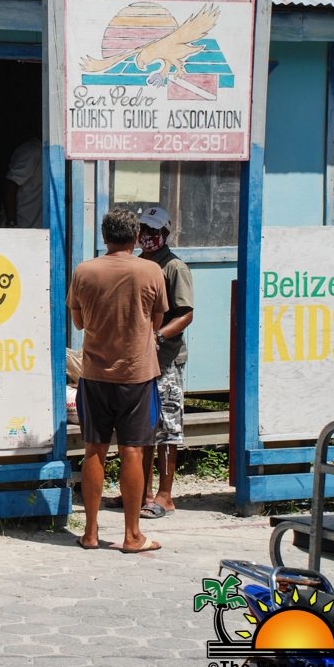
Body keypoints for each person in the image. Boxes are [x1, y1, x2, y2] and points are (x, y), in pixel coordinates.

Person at [67, 209, 168, 553]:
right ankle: (132, 536)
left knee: (94, 449)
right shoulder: (151, 270)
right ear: (136, 237)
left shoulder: (84, 271)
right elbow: (157, 321)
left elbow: (78, 323)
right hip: (137, 376)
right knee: (132, 451)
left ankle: (90, 533)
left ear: (104, 236)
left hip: (94, 375)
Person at [138, 207, 194, 520]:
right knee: (144, 428)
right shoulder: (138, 263)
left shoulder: (174, 267)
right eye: (143, 228)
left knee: (168, 428)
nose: (147, 235)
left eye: (153, 229)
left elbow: (186, 314)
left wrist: (158, 336)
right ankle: (142, 493)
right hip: (139, 360)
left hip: (166, 359)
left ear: (166, 233)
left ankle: (165, 496)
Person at [4, 135, 43, 228]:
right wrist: (12, 224)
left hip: (37, 229)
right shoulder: (32, 151)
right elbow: (10, 185)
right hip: (22, 227)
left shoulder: (50, 153)